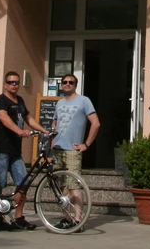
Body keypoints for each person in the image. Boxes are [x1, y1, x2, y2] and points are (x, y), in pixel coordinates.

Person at [0, 70, 48, 231]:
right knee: (0, 183)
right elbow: (3, 118)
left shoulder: (20, 100)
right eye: (11, 82)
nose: (14, 85)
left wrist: (44, 131)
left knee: (23, 182)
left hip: (15, 149)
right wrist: (19, 131)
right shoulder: (1, 100)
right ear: (5, 84)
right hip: (1, 147)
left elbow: (28, 118)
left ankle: (18, 217)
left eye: (16, 82)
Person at [52, 73, 100, 228]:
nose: (67, 84)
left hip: (72, 151)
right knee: (62, 188)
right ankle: (66, 218)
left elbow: (96, 123)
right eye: (65, 82)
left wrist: (86, 144)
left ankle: (78, 220)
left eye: (71, 82)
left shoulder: (84, 101)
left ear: (75, 85)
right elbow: (55, 122)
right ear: (61, 85)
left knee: (74, 187)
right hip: (58, 150)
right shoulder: (59, 103)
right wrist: (52, 141)